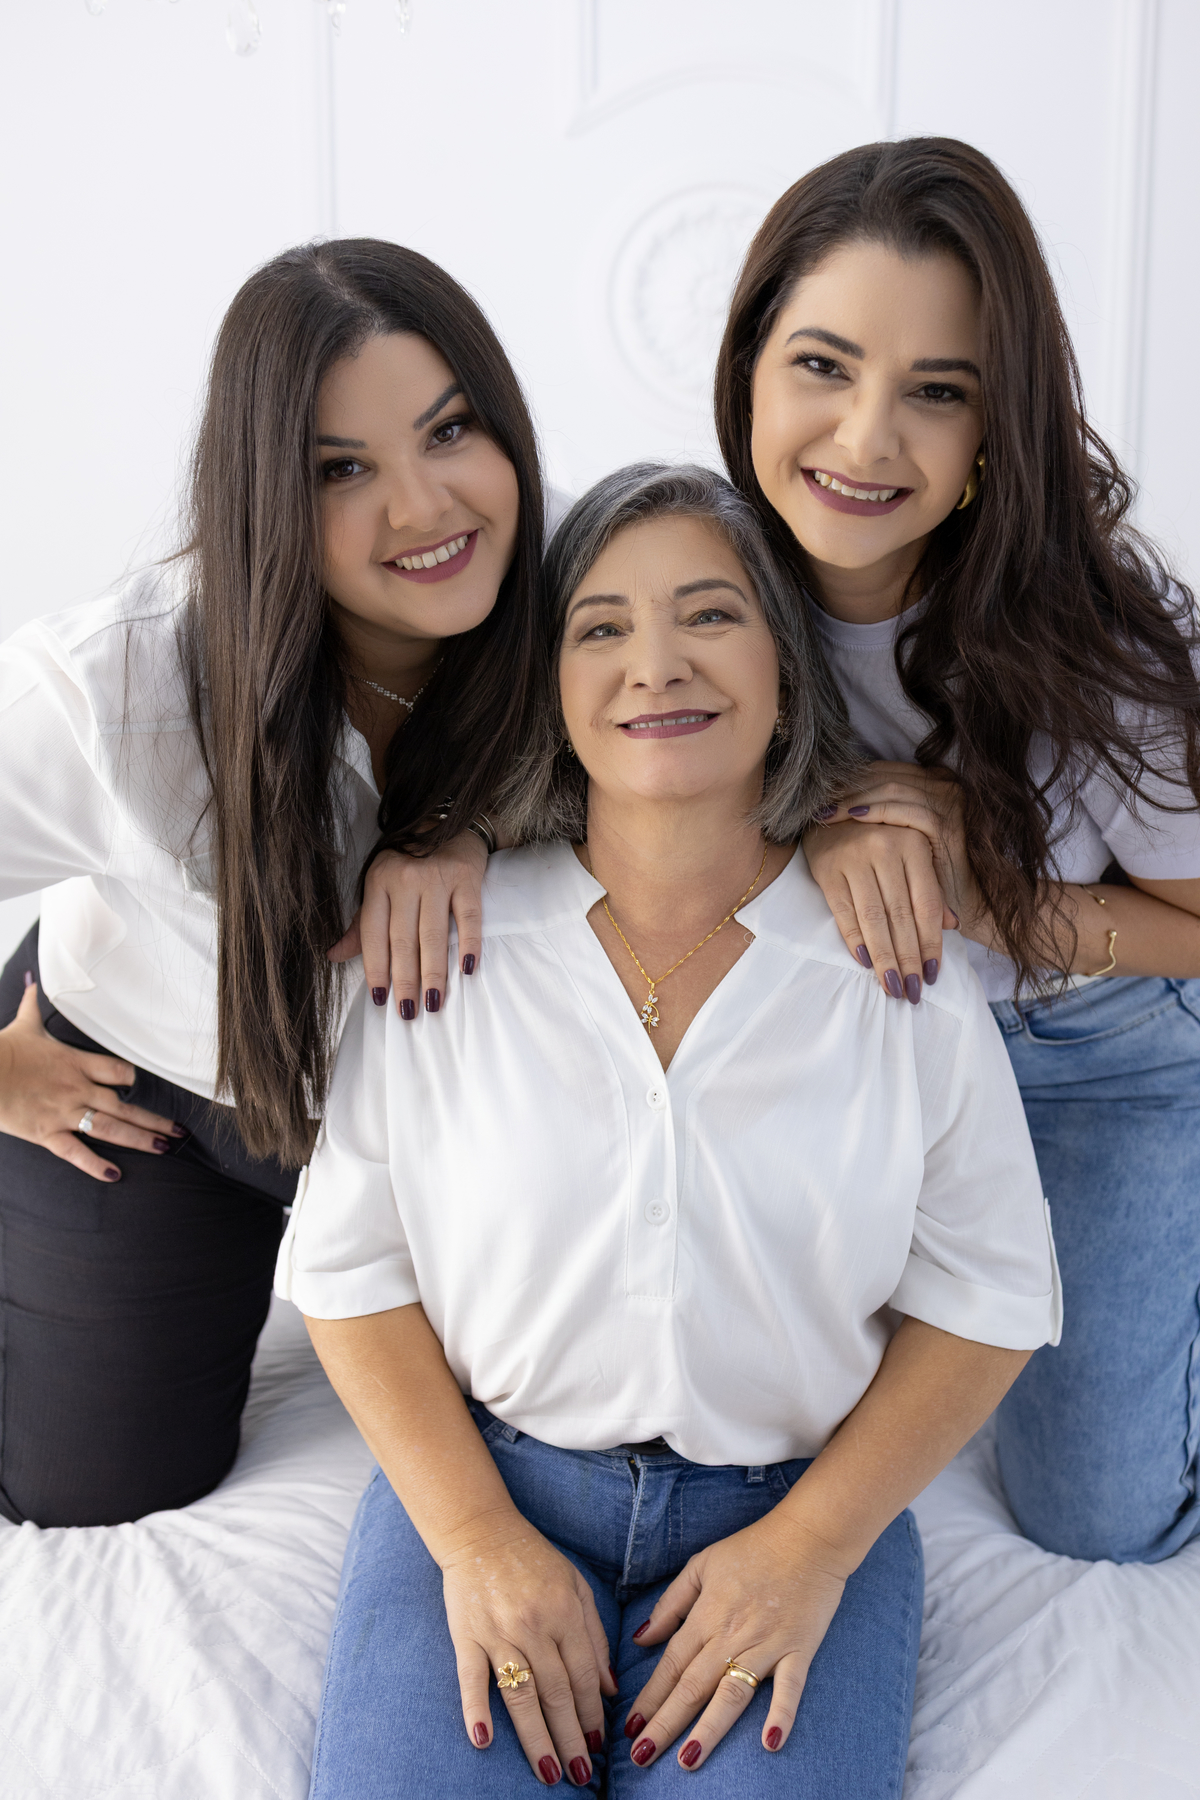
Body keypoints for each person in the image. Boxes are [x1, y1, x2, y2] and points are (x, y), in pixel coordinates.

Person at [278, 464, 1060, 1796]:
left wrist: (809, 1552)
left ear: (783, 668)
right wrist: (475, 1543)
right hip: (492, 1491)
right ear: (549, 678)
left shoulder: (888, 958)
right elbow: (353, 1278)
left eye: (710, 615)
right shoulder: (447, 941)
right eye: (600, 627)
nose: (657, 664)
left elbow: (987, 1294)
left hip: (793, 1513)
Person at [0, 237, 543, 1528]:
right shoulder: (116, 692)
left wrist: (466, 825)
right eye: (341, 471)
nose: (423, 508)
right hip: (154, 1087)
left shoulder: (576, 594)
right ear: (262, 496)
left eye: (450, 430)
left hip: (432, 1129)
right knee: (97, 1487)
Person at [713, 136, 1200, 1564]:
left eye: (937, 393)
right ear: (749, 363)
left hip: (1088, 1061)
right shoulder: (681, 571)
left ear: (999, 429)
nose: (866, 441)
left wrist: (986, 884)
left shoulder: (1109, 631)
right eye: (822, 365)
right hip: (846, 1067)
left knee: (1098, 1521)